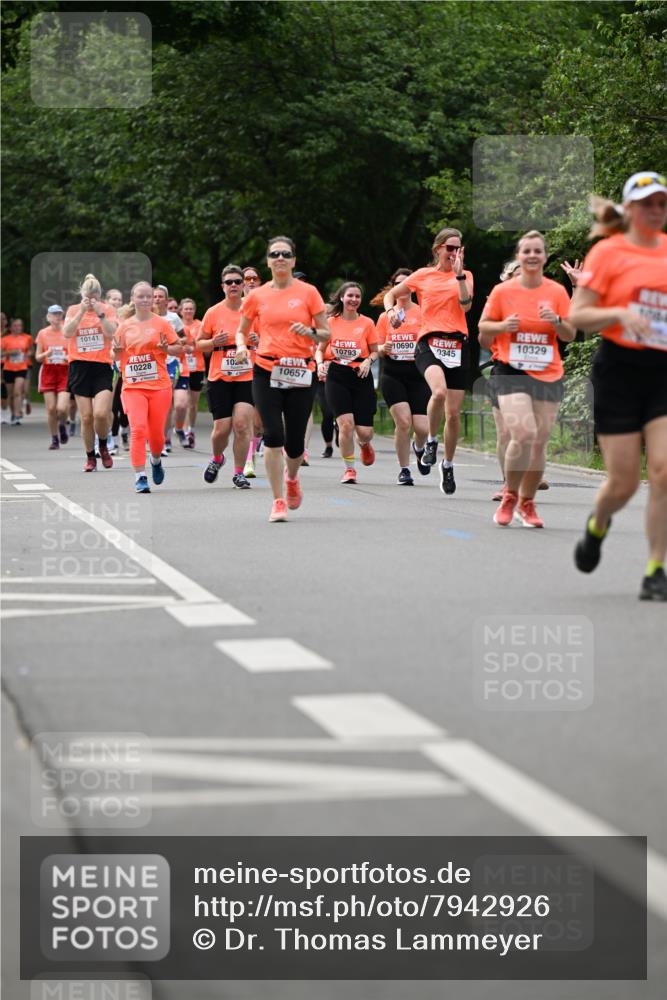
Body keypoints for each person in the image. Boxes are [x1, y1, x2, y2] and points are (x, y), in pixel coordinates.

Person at [569, 170, 667, 601]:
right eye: (647, 203)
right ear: (628, 210)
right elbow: (578, 316)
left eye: (662, 203)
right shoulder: (607, 253)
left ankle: (655, 569)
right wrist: (619, 315)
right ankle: (598, 524)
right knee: (624, 482)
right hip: (619, 372)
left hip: (662, 370)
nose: (656, 211)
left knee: (663, 471)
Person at [478, 231, 575, 527]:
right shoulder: (502, 292)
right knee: (523, 433)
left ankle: (527, 503)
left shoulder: (557, 292)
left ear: (545, 257)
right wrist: (502, 326)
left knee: (539, 442)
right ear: (519, 257)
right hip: (511, 370)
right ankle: (510, 494)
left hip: (547, 371)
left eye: (537, 251)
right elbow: (483, 332)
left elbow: (570, 334)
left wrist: (556, 321)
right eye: (526, 251)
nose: (532, 255)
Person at [235, 236, 329, 521]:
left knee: (295, 442)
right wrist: (241, 347)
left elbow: (326, 334)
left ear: (293, 260)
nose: (280, 258)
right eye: (274, 254)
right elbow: (242, 330)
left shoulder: (309, 292)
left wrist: (310, 333)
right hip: (266, 369)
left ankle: (292, 479)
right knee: (273, 435)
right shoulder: (257, 296)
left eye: (285, 254)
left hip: (301, 370)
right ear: (268, 260)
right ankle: (278, 501)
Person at [384, 227, 473, 496]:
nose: (454, 253)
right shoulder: (422, 275)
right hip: (428, 343)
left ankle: (447, 465)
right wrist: (391, 312)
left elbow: (466, 305)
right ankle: (431, 442)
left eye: (458, 249)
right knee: (439, 392)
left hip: (457, 344)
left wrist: (458, 276)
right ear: (438, 250)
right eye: (450, 248)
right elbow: (391, 294)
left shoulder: (466, 276)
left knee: (454, 415)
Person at [113, 281, 183, 493]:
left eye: (148, 296)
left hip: (159, 386)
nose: (144, 300)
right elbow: (114, 354)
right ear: (133, 299)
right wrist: (116, 352)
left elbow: (179, 348)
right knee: (138, 430)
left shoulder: (162, 323)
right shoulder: (124, 326)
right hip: (133, 386)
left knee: (156, 436)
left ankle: (155, 460)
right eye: (140, 296)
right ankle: (140, 476)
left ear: (153, 299)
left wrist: (166, 348)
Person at [197, 265, 255, 489]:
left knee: (241, 425)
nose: (233, 285)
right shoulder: (213, 312)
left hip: (246, 376)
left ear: (242, 286)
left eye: (237, 282)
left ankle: (239, 473)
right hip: (220, 376)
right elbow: (198, 344)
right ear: (222, 286)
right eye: (229, 282)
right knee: (221, 429)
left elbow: (268, 338)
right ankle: (217, 458)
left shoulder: (252, 311)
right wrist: (213, 343)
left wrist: (258, 341)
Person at [317, 282, 378, 484]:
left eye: (357, 296)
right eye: (350, 295)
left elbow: (375, 350)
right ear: (342, 298)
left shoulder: (367, 323)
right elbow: (320, 349)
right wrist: (319, 364)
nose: (353, 299)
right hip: (337, 375)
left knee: (365, 432)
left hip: (361, 375)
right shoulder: (330, 322)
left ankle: (364, 444)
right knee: (346, 425)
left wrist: (369, 361)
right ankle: (349, 470)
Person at [373, 268, 429, 485]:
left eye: (407, 283)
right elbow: (374, 347)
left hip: (418, 373)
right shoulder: (385, 317)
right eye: (398, 283)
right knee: (404, 422)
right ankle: (404, 469)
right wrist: (382, 347)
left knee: (422, 428)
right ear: (393, 288)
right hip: (393, 373)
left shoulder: (423, 312)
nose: (402, 288)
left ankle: (419, 448)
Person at [63, 274, 117, 471]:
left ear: (99, 296)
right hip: (79, 366)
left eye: (95, 297)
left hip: (102, 366)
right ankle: (90, 456)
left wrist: (100, 313)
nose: (91, 301)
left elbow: (112, 333)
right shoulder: (73, 310)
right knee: (86, 417)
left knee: (101, 414)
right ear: (82, 295)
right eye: (88, 297)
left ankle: (103, 445)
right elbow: (67, 333)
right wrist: (81, 313)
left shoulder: (108, 309)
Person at [152, 284, 185, 453]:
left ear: (166, 299)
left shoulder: (174, 318)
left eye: (160, 296)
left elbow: (183, 336)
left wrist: (180, 344)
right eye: (155, 296)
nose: (157, 299)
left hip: (170, 363)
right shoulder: (147, 317)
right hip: (152, 364)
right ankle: (152, 438)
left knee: (165, 402)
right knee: (152, 404)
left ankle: (164, 440)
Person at [35, 305, 70, 449]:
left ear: (62, 316)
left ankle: (62, 424)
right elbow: (37, 357)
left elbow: (74, 352)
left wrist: (67, 358)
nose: (56, 317)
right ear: (48, 317)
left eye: (59, 314)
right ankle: (55, 438)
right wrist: (45, 355)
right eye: (53, 314)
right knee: (50, 409)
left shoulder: (68, 331)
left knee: (61, 408)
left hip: (64, 371)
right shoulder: (43, 333)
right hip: (48, 371)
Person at [242, 266, 264, 477]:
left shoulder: (266, 307)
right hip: (240, 370)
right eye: (245, 278)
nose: (249, 281)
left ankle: (254, 448)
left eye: (253, 278)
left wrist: (262, 340)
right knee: (245, 418)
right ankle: (248, 459)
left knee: (258, 422)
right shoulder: (234, 307)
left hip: (263, 367)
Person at [173, 297, 203, 449]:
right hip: (182, 366)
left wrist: (194, 348)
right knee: (183, 401)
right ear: (181, 311)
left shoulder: (200, 325)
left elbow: (204, 344)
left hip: (197, 366)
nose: (188, 311)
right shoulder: (177, 325)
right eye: (186, 309)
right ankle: (183, 430)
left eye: (191, 308)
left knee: (193, 402)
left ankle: (191, 428)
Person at [1, 317, 33, 425]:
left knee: (17, 391)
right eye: (15, 325)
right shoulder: (5, 340)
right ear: (10, 327)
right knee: (10, 394)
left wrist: (27, 355)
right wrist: (10, 353)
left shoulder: (27, 338)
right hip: (8, 368)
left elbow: (31, 351)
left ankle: (17, 415)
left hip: (22, 367)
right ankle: (13, 414)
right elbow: (1, 354)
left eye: (20, 325)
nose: (18, 328)